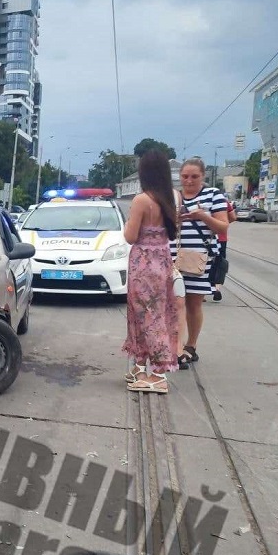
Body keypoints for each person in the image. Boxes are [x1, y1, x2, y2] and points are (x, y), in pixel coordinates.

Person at [122, 150, 180, 393]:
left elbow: (130, 236)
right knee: (154, 314)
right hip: (162, 263)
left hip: (143, 266)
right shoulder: (173, 197)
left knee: (147, 318)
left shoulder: (142, 201)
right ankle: (140, 365)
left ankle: (158, 374)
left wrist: (127, 223)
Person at [171, 158, 230, 367]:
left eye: (194, 176)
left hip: (199, 259)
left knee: (193, 303)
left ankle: (190, 346)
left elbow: (223, 227)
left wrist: (202, 216)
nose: (189, 181)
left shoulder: (213, 194)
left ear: (203, 176)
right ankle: (174, 346)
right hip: (172, 257)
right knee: (173, 303)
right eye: (185, 176)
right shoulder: (174, 196)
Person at [210, 197, 236, 301]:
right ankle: (217, 289)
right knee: (219, 263)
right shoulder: (223, 200)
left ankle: (201, 292)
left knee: (203, 262)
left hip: (205, 238)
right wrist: (221, 224)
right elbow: (233, 217)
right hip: (221, 237)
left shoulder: (198, 198)